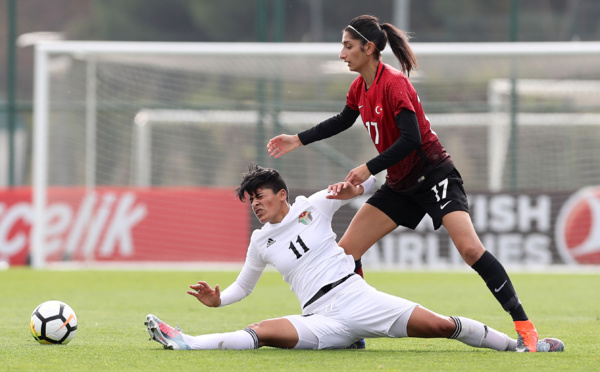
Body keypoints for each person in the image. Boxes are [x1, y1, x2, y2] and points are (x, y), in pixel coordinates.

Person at [266, 15, 548, 352]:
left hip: (434, 176)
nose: (342, 54)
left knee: (471, 250)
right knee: (345, 254)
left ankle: (525, 328)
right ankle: (354, 327)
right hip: (400, 184)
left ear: (369, 48)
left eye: (347, 46)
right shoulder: (360, 87)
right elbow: (343, 119)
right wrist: (298, 139)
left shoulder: (394, 83)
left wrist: (369, 168)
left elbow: (411, 139)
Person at [145, 164, 564, 352]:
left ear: (281, 195)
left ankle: (518, 348)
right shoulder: (260, 242)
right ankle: (186, 342)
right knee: (262, 333)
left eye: (259, 196)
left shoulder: (312, 207)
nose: (254, 204)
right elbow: (243, 287)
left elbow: (361, 189)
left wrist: (351, 191)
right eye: (249, 200)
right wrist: (218, 300)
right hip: (320, 317)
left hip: (358, 298)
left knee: (441, 325)